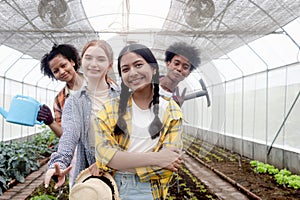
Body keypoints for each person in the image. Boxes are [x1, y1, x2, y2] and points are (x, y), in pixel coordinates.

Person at [95, 43, 183, 200]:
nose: (133, 73)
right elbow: (104, 157)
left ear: (154, 68)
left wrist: (121, 162)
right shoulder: (109, 110)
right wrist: (156, 158)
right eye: (126, 69)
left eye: (138, 65)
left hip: (149, 189)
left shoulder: (171, 110)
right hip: (112, 187)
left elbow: (171, 163)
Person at [44, 40, 119, 189]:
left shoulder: (120, 95)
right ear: (82, 61)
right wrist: (57, 163)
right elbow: (68, 135)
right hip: (89, 167)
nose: (94, 64)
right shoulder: (70, 101)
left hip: (125, 175)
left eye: (101, 59)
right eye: (89, 58)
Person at [37, 44, 84, 138]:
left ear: (72, 62)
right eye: (56, 71)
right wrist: (50, 122)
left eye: (63, 65)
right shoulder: (59, 100)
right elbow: (65, 136)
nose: (62, 72)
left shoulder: (99, 82)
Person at [159, 42, 201, 106]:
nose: (179, 69)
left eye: (185, 67)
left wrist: (177, 108)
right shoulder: (148, 83)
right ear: (168, 63)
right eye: (176, 63)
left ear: (188, 74)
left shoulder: (176, 100)